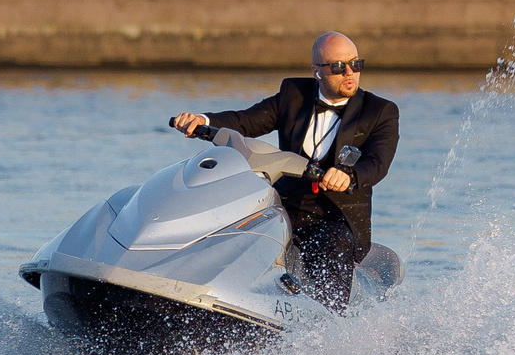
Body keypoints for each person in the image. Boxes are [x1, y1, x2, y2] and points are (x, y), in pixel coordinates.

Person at [169, 31, 398, 310]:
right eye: (338, 67)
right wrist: (202, 120)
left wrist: (348, 175)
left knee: (333, 245)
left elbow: (377, 162)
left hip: (334, 217)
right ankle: (187, 288)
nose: (349, 72)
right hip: (282, 206)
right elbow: (246, 121)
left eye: (356, 64)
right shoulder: (293, 95)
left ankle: (332, 327)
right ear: (317, 71)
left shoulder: (381, 111)